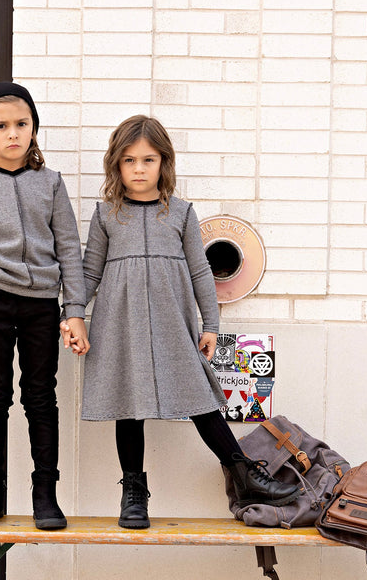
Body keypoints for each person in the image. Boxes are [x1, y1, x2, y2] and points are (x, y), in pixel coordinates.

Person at [61, 115, 298, 529]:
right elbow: (90, 273)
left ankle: (244, 475)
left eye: (148, 160)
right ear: (116, 165)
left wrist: (210, 325)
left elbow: (200, 273)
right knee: (127, 405)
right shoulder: (106, 216)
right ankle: (133, 493)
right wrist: (74, 315)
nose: (138, 168)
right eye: (129, 160)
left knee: (200, 399)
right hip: (121, 324)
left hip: (173, 324)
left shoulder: (182, 213)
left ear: (163, 163)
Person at [0, 82, 89, 530]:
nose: (13, 133)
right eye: (1, 126)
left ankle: (45, 496)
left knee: (40, 398)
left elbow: (69, 248)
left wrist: (74, 310)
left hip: (40, 305)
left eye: (21, 124)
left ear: (33, 130)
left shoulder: (50, 183)